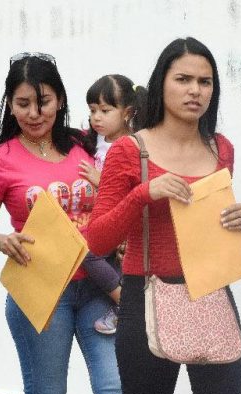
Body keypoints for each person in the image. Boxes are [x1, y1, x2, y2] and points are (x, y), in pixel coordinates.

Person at [86, 37, 241, 394]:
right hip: (144, 292)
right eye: (183, 79)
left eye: (204, 82)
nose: (195, 90)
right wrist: (144, 193)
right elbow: (96, 241)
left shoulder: (220, 148)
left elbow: (211, 230)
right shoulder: (130, 150)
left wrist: (240, 222)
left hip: (211, 290)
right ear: (161, 82)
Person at [0, 53, 121, 394]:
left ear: (60, 100)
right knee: (48, 393)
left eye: (43, 102)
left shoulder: (86, 144)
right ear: (10, 105)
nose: (34, 114)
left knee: (115, 387)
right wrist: (1, 241)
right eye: (23, 104)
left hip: (100, 286)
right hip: (41, 291)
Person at [79, 74, 147, 334]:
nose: (97, 117)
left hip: (119, 223)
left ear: (127, 112)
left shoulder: (133, 145)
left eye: (105, 111)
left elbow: (135, 191)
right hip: (100, 221)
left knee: (89, 254)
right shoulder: (94, 141)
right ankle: (123, 303)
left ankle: (124, 303)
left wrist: (100, 181)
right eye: (93, 110)